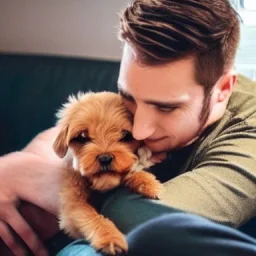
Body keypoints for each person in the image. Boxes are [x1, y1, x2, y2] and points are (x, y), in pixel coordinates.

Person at [0, 0, 256, 255]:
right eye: (128, 97)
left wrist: (50, 182)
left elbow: (146, 218)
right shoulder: (158, 87)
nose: (139, 131)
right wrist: (21, 164)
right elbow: (73, 134)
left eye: (165, 107)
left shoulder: (250, 138)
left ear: (223, 89)